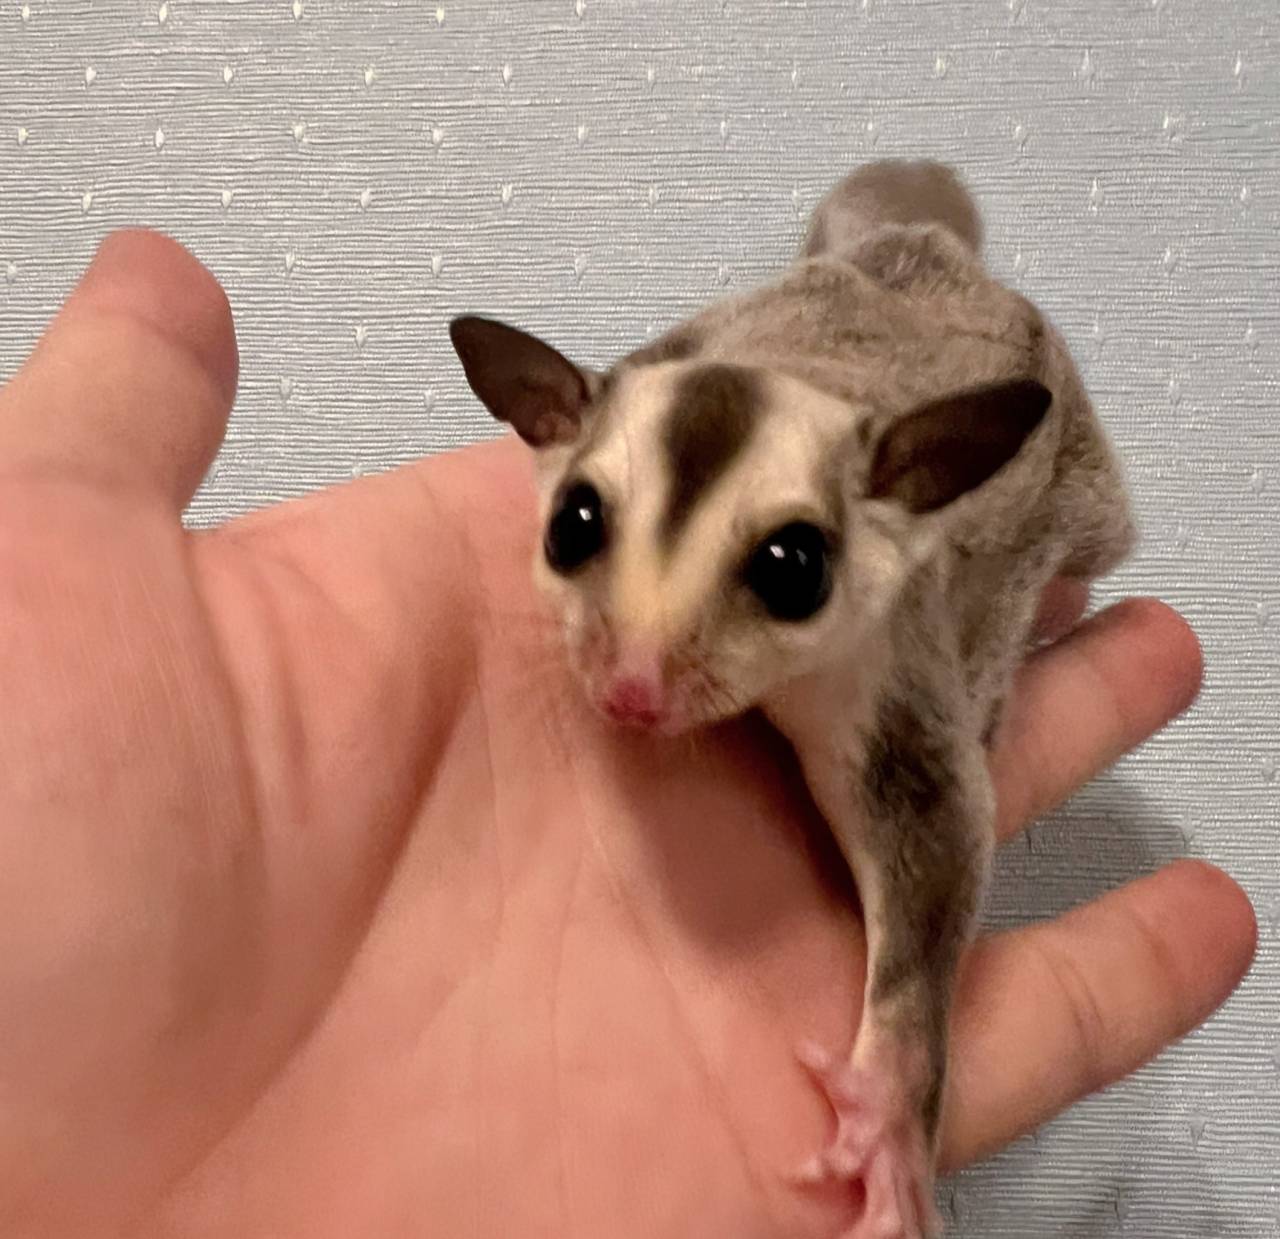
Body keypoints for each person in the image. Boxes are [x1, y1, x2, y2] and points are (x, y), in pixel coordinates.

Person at [0, 231, 1255, 1238]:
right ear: (543, 430)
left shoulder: (892, 563)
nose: (637, 681)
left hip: (958, 400)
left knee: (1085, 533)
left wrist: (898, 1071)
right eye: (582, 534)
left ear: (893, 510)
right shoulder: (630, 409)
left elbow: (929, 818)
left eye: (780, 571)